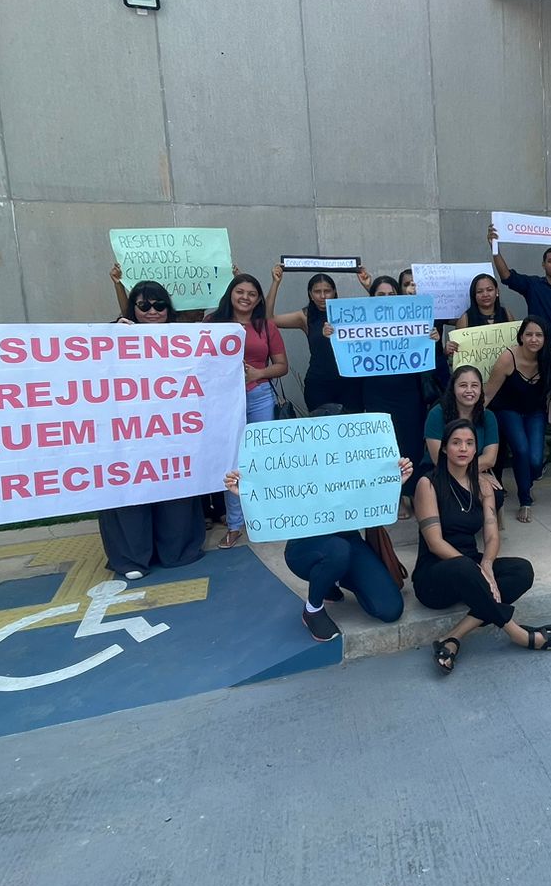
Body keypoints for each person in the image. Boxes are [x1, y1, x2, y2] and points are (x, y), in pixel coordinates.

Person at [414, 420, 551, 675]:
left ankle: (453, 637)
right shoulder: (428, 484)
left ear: (476, 450)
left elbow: (492, 535)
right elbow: (435, 543)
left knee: (521, 570)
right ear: (444, 449)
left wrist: (486, 565)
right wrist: (476, 568)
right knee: (463, 565)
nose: (463, 448)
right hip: (435, 576)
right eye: (456, 443)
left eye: (469, 443)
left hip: (470, 569)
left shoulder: (482, 485)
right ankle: (517, 633)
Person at [224, 457, 415, 642]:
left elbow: (371, 495)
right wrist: (248, 493)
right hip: (307, 546)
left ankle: (332, 579)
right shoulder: (300, 461)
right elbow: (279, 494)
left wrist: (392, 482)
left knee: (390, 609)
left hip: (350, 540)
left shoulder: (355, 455)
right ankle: (313, 610)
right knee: (338, 551)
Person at [99, 280, 209, 578]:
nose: (152, 312)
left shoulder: (184, 337)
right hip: (128, 431)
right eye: (144, 305)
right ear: (132, 308)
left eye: (159, 305)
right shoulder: (112, 334)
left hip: (172, 430)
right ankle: (131, 557)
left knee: (175, 489)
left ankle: (177, 550)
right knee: (132, 491)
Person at [489, 224, 551, 476]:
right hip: (535, 359)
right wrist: (494, 246)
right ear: (543, 265)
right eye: (550, 261)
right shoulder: (533, 285)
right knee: (537, 406)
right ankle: (536, 459)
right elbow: (506, 276)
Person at [208, 274, 289, 547]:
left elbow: (282, 365)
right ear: (231, 293)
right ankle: (234, 524)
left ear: (258, 299)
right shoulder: (211, 323)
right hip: (223, 401)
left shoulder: (265, 326)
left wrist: (258, 373)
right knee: (233, 461)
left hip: (259, 397)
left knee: (261, 458)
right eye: (240, 291)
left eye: (252, 293)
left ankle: (265, 517)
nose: (245, 297)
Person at [358, 273, 431, 518]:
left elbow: (427, 357)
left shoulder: (412, 320)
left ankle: (413, 494)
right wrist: (332, 333)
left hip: (408, 392)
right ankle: (396, 496)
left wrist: (432, 339)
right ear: (372, 298)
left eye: (391, 294)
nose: (387, 299)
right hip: (377, 393)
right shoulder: (361, 324)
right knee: (388, 447)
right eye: (380, 295)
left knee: (411, 443)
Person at [483, 316, 551, 522]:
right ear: (521, 336)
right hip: (508, 409)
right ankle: (525, 500)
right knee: (521, 449)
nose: (533, 339)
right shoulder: (508, 357)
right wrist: (470, 418)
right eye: (529, 334)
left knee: (535, 460)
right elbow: (489, 393)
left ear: (545, 338)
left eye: (539, 335)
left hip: (535, 411)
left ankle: (526, 482)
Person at [267, 265, 362, 415]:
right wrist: (275, 283)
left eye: (327, 291)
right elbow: (269, 320)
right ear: (310, 294)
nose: (323, 296)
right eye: (317, 292)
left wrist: (368, 285)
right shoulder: (305, 316)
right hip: (319, 383)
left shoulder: (348, 312)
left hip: (349, 382)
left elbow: (378, 314)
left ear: (334, 292)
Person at [423, 365, 501, 508]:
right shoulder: (437, 414)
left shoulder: (488, 416)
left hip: (473, 470)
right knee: (445, 499)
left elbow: (490, 459)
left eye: (475, 386)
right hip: (439, 472)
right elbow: (438, 459)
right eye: (463, 385)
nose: (469, 391)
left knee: (496, 495)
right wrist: (474, 474)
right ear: (453, 388)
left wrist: (471, 474)